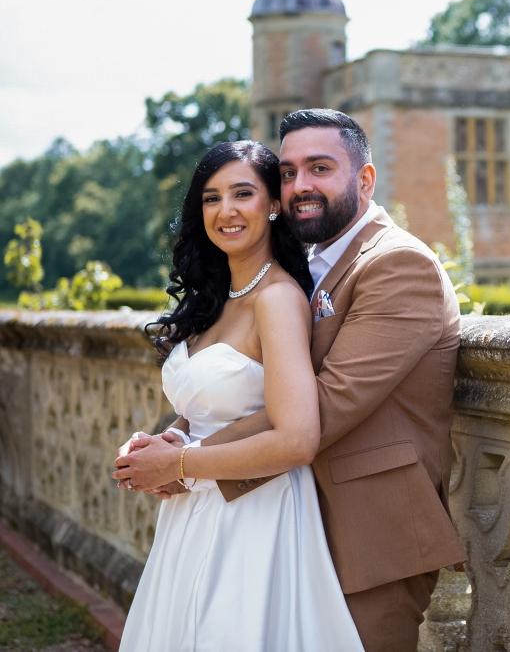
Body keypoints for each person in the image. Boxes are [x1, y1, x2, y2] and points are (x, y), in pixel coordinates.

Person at [113, 136, 363, 652]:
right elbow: (212, 404)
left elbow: (297, 439)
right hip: (193, 511)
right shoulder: (216, 297)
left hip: (253, 516)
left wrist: (179, 465)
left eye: (242, 194)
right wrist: (166, 440)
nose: (225, 210)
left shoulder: (277, 300)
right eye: (211, 197)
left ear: (273, 204)